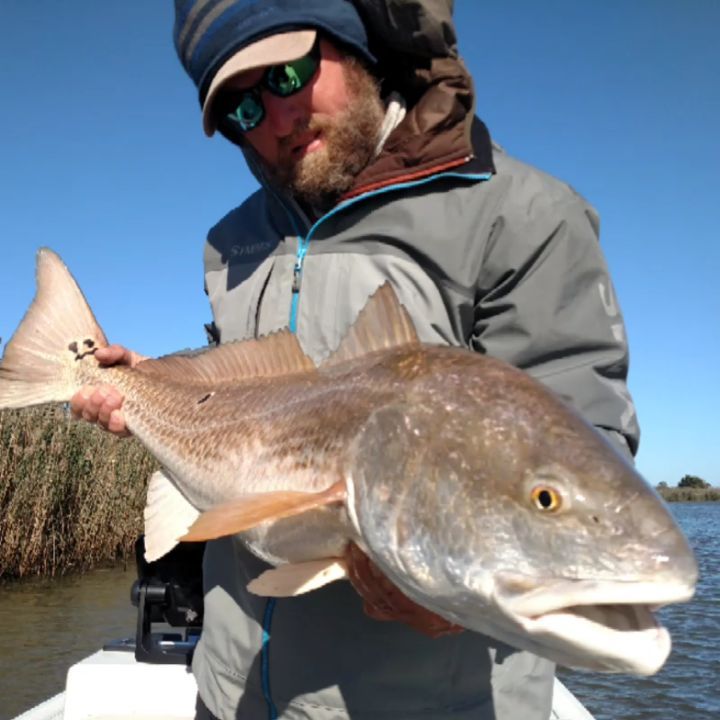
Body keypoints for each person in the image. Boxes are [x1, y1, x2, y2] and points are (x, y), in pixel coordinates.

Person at [72, 1, 641, 718]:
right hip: (229, 693)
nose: (275, 121)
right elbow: (241, 388)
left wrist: (456, 598)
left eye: (286, 74)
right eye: (242, 112)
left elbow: (582, 442)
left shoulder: (524, 215)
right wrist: (148, 382)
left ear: (354, 42)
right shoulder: (231, 239)